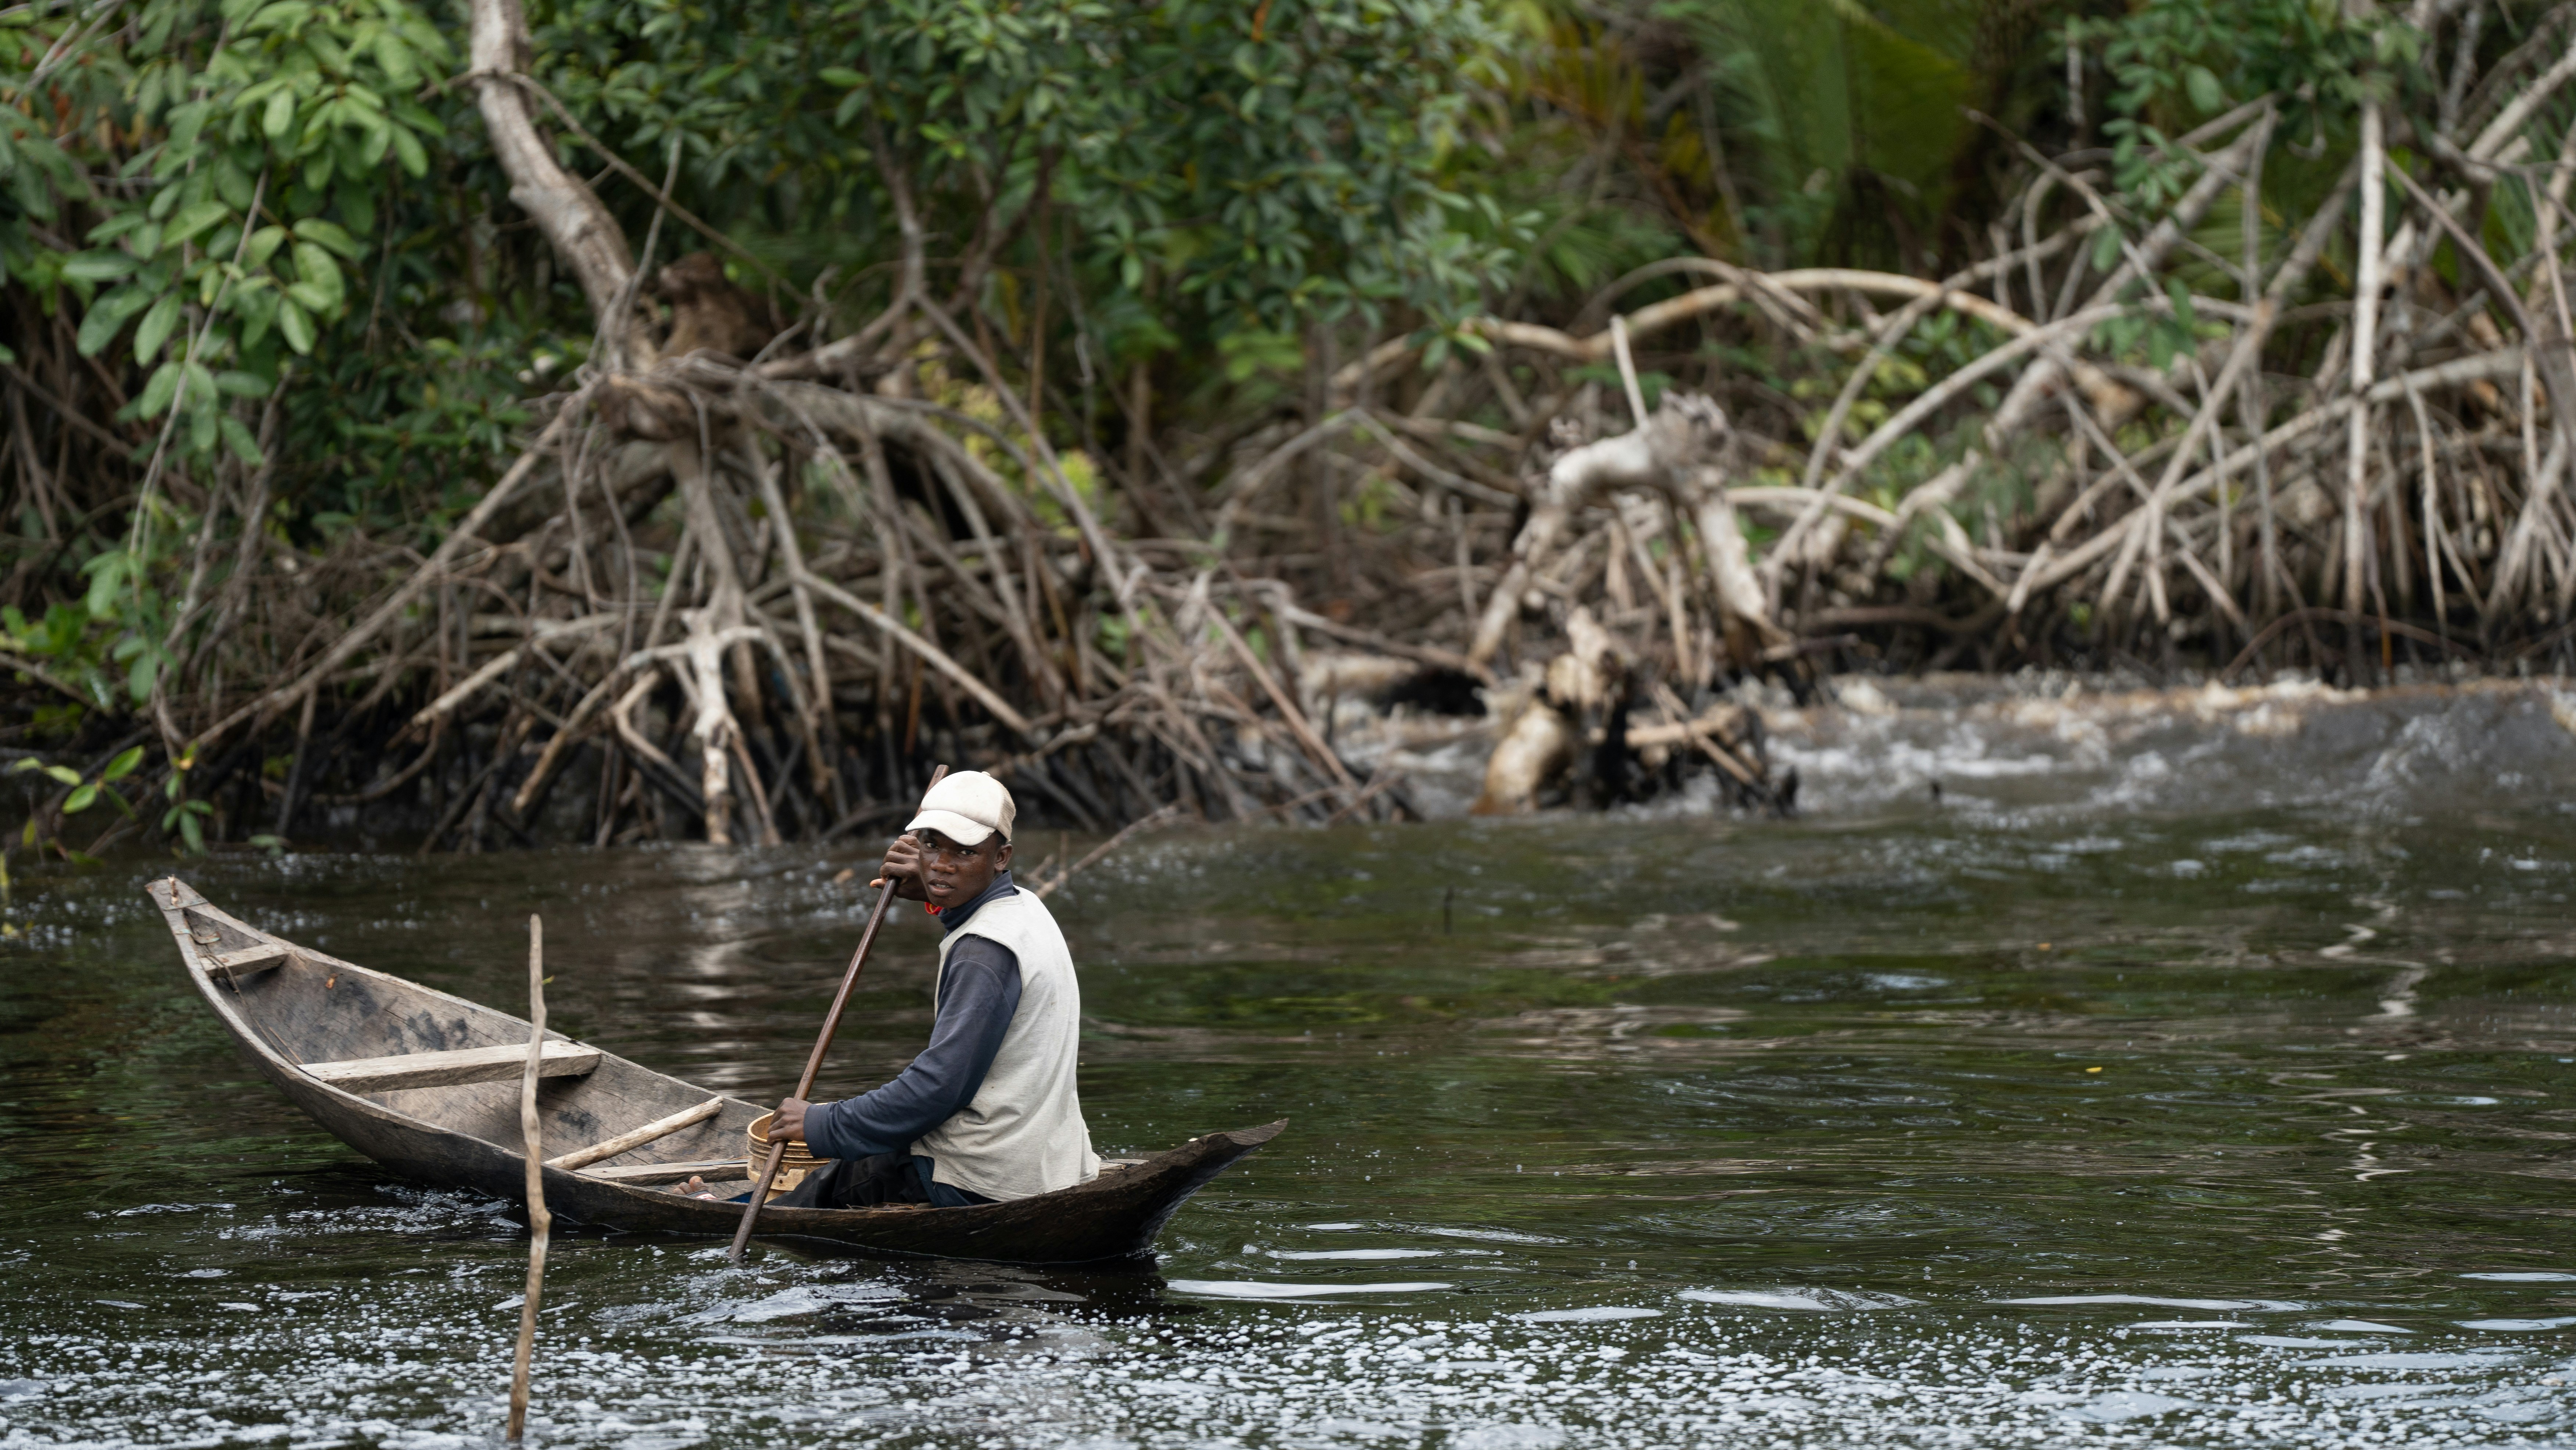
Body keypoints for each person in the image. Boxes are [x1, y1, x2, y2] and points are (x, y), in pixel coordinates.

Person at [670, 771, 1099, 1206]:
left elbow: (937, 1090)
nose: (943, 864)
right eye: (932, 845)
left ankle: (717, 1217)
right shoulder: (1027, 907)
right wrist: (936, 893)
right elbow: (967, 902)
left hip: (979, 1181)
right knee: (859, 1155)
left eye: (966, 851)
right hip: (1053, 1165)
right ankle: (735, 1206)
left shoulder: (982, 952)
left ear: (1001, 856)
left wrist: (822, 1123)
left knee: (852, 1175)